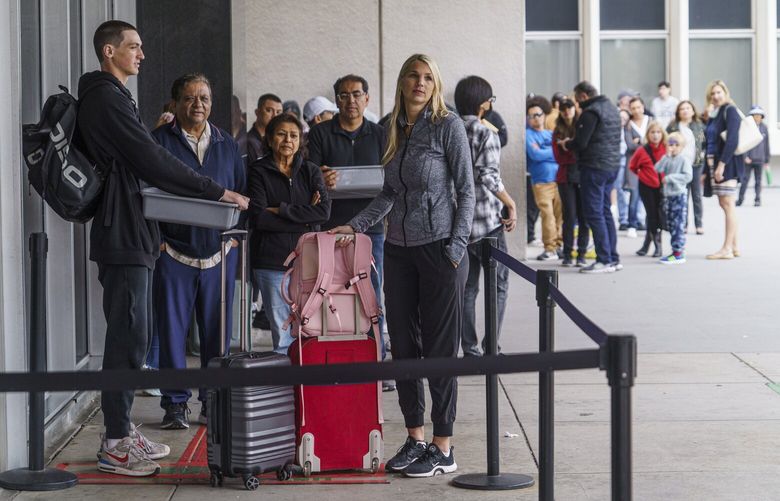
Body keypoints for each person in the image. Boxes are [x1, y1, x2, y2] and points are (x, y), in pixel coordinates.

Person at [78, 20, 249, 477]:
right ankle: (115, 444)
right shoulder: (105, 96)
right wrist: (216, 192)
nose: (142, 54)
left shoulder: (115, 97)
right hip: (123, 233)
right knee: (128, 338)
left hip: (133, 231)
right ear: (109, 51)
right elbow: (153, 159)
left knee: (133, 335)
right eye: (134, 47)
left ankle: (120, 428)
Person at [330, 53, 475, 478]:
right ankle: (415, 438)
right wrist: (354, 226)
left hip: (440, 251)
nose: (420, 82)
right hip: (397, 250)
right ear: (402, 81)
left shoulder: (448, 125)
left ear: (436, 83)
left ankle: (443, 446)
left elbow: (466, 190)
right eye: (413, 75)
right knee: (405, 348)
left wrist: (456, 248)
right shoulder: (393, 126)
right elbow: (389, 192)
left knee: (439, 349)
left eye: (428, 76)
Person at [150, 73, 246, 429]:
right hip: (173, 252)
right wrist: (156, 237)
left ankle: (212, 401)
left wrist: (235, 236)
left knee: (217, 335)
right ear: (175, 104)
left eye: (204, 98)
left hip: (220, 252)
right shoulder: (158, 141)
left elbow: (241, 190)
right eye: (189, 98)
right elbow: (146, 190)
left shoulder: (226, 143)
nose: (198, 105)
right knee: (172, 333)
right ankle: (175, 404)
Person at [307, 74, 394, 391]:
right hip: (330, 227)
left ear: (367, 99)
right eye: (343, 95)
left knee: (372, 296)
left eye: (357, 94)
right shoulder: (319, 133)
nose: (351, 100)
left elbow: (392, 178)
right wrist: (321, 177)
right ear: (336, 100)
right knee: (329, 296)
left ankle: (376, 365)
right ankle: (337, 360)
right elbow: (309, 174)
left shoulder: (381, 134)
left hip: (372, 230)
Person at [248, 113, 331, 354]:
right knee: (283, 332)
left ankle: (307, 385)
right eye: (281, 134)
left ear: (300, 141)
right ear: (271, 139)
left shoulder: (311, 171)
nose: (288, 140)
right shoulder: (258, 171)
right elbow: (259, 217)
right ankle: (286, 386)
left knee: (310, 325)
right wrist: (306, 216)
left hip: (308, 261)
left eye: (294, 135)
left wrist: (280, 210)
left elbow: (324, 212)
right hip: (270, 261)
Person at [454, 75, 516, 356]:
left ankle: (469, 348)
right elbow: (488, 175)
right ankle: (491, 346)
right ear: (483, 103)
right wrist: (510, 203)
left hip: (460, 223)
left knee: (468, 289)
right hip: (488, 224)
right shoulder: (485, 132)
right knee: (498, 286)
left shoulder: (449, 129)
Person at [566, 81, 621, 273]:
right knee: (605, 211)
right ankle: (613, 258)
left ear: (583, 96)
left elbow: (581, 143)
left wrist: (567, 144)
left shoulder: (591, 112)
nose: (576, 103)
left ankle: (604, 259)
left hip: (594, 167)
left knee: (594, 213)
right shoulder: (612, 108)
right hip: (612, 166)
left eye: (577, 98)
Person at [703, 80, 744, 259]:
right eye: (713, 93)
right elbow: (710, 141)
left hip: (726, 163)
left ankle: (726, 249)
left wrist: (722, 165)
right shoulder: (716, 113)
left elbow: (732, 140)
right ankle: (734, 247)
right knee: (725, 204)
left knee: (728, 204)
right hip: (715, 162)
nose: (716, 96)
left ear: (726, 93)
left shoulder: (730, 110)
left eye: (719, 92)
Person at [553, 98, 589, 267]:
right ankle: (567, 254)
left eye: (570, 108)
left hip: (582, 175)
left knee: (584, 217)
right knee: (569, 216)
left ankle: (581, 254)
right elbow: (559, 157)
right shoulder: (557, 130)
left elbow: (584, 150)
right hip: (565, 177)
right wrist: (571, 148)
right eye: (564, 108)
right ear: (560, 111)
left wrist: (566, 145)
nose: (567, 111)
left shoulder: (582, 126)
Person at [526, 96, 562, 261]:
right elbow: (535, 154)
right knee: (547, 215)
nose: (536, 118)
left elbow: (561, 153)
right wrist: (552, 152)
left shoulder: (551, 133)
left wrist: (546, 151)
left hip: (558, 180)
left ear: (544, 114)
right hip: (541, 183)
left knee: (560, 215)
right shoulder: (528, 135)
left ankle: (560, 246)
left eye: (538, 114)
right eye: (532, 116)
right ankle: (549, 248)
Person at [666, 100, 705, 234]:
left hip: (696, 165)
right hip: (679, 166)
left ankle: (699, 224)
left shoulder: (699, 125)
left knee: (696, 195)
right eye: (682, 109)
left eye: (688, 108)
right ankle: (683, 224)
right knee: (682, 194)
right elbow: (668, 143)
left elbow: (705, 143)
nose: (685, 111)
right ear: (678, 112)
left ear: (693, 111)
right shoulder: (673, 126)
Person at [630, 121, 667, 258]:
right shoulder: (642, 150)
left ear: (662, 134)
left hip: (663, 186)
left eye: (658, 132)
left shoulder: (666, 148)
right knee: (652, 214)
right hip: (646, 186)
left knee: (659, 214)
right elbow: (632, 166)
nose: (656, 135)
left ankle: (646, 245)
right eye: (652, 132)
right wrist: (643, 175)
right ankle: (658, 245)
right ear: (648, 134)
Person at [655, 132, 692, 264]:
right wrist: (666, 156)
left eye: (677, 145)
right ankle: (676, 250)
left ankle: (678, 253)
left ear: (682, 146)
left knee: (678, 225)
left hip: (679, 195)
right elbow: (657, 169)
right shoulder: (668, 158)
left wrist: (670, 178)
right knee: (671, 224)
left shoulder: (684, 160)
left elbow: (688, 176)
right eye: (671, 144)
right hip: (668, 196)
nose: (673, 147)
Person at [624, 96, 651, 236]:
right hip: (633, 162)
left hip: (649, 163)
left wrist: (639, 140)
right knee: (634, 193)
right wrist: (645, 142)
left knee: (651, 193)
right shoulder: (629, 124)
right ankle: (632, 224)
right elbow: (630, 145)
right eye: (633, 108)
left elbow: (656, 141)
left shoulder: (650, 120)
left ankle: (650, 223)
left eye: (638, 107)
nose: (636, 110)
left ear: (643, 106)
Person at [737, 105, 770, 207]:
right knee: (744, 180)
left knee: (758, 181)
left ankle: (757, 199)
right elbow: (743, 142)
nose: (757, 117)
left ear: (762, 116)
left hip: (760, 159)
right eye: (755, 115)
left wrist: (767, 160)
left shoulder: (764, 128)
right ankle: (740, 199)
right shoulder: (747, 127)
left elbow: (767, 145)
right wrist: (745, 156)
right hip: (749, 159)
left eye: (759, 115)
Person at [247, 93, 283, 162]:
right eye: (269, 110)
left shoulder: (277, 141)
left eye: (278, 112)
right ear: (257, 112)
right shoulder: (249, 143)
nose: (274, 116)